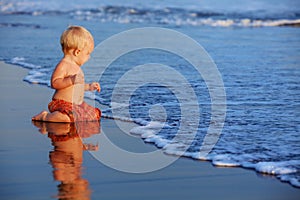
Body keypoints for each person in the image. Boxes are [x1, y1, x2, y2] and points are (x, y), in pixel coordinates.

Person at [32, 25, 101, 122]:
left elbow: (77, 86)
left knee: (94, 114)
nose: (89, 57)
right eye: (87, 54)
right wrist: (70, 80)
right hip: (62, 103)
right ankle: (45, 116)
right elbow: (54, 83)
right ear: (77, 52)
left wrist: (89, 87)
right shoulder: (64, 65)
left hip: (76, 105)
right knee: (66, 118)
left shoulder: (77, 68)